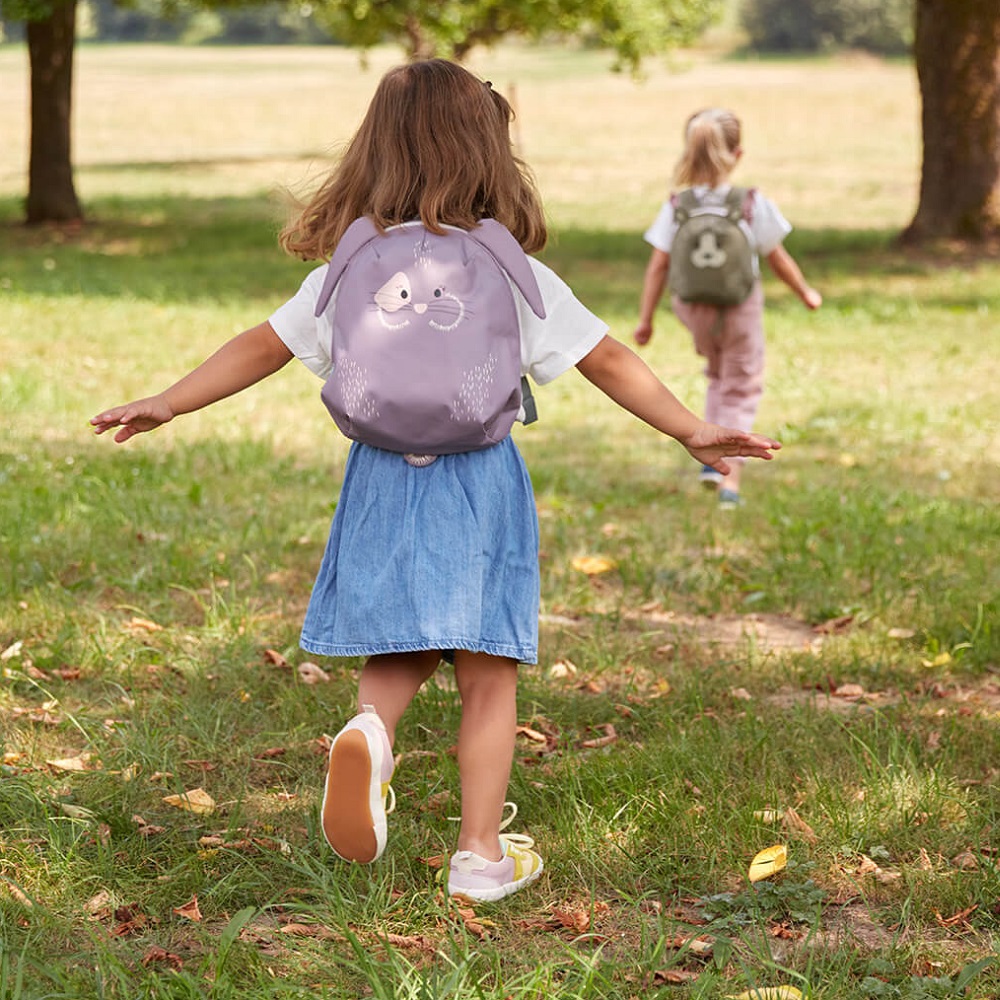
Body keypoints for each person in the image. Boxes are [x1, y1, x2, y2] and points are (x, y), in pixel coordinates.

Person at [91, 61, 781, 903]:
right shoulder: (507, 267)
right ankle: (479, 856)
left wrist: (169, 400)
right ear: (489, 149)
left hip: (380, 474)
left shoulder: (351, 265)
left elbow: (262, 345)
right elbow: (606, 358)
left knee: (398, 646)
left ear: (374, 150)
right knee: (488, 671)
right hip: (479, 479)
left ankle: (372, 731)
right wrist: (691, 428)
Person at [634, 107, 821, 509]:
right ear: (738, 155)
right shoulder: (750, 203)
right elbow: (777, 257)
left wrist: (646, 320)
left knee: (719, 376)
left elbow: (658, 266)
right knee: (741, 385)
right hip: (739, 308)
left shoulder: (677, 204)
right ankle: (729, 481)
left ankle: (708, 456)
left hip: (693, 309)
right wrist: (805, 292)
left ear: (690, 152)